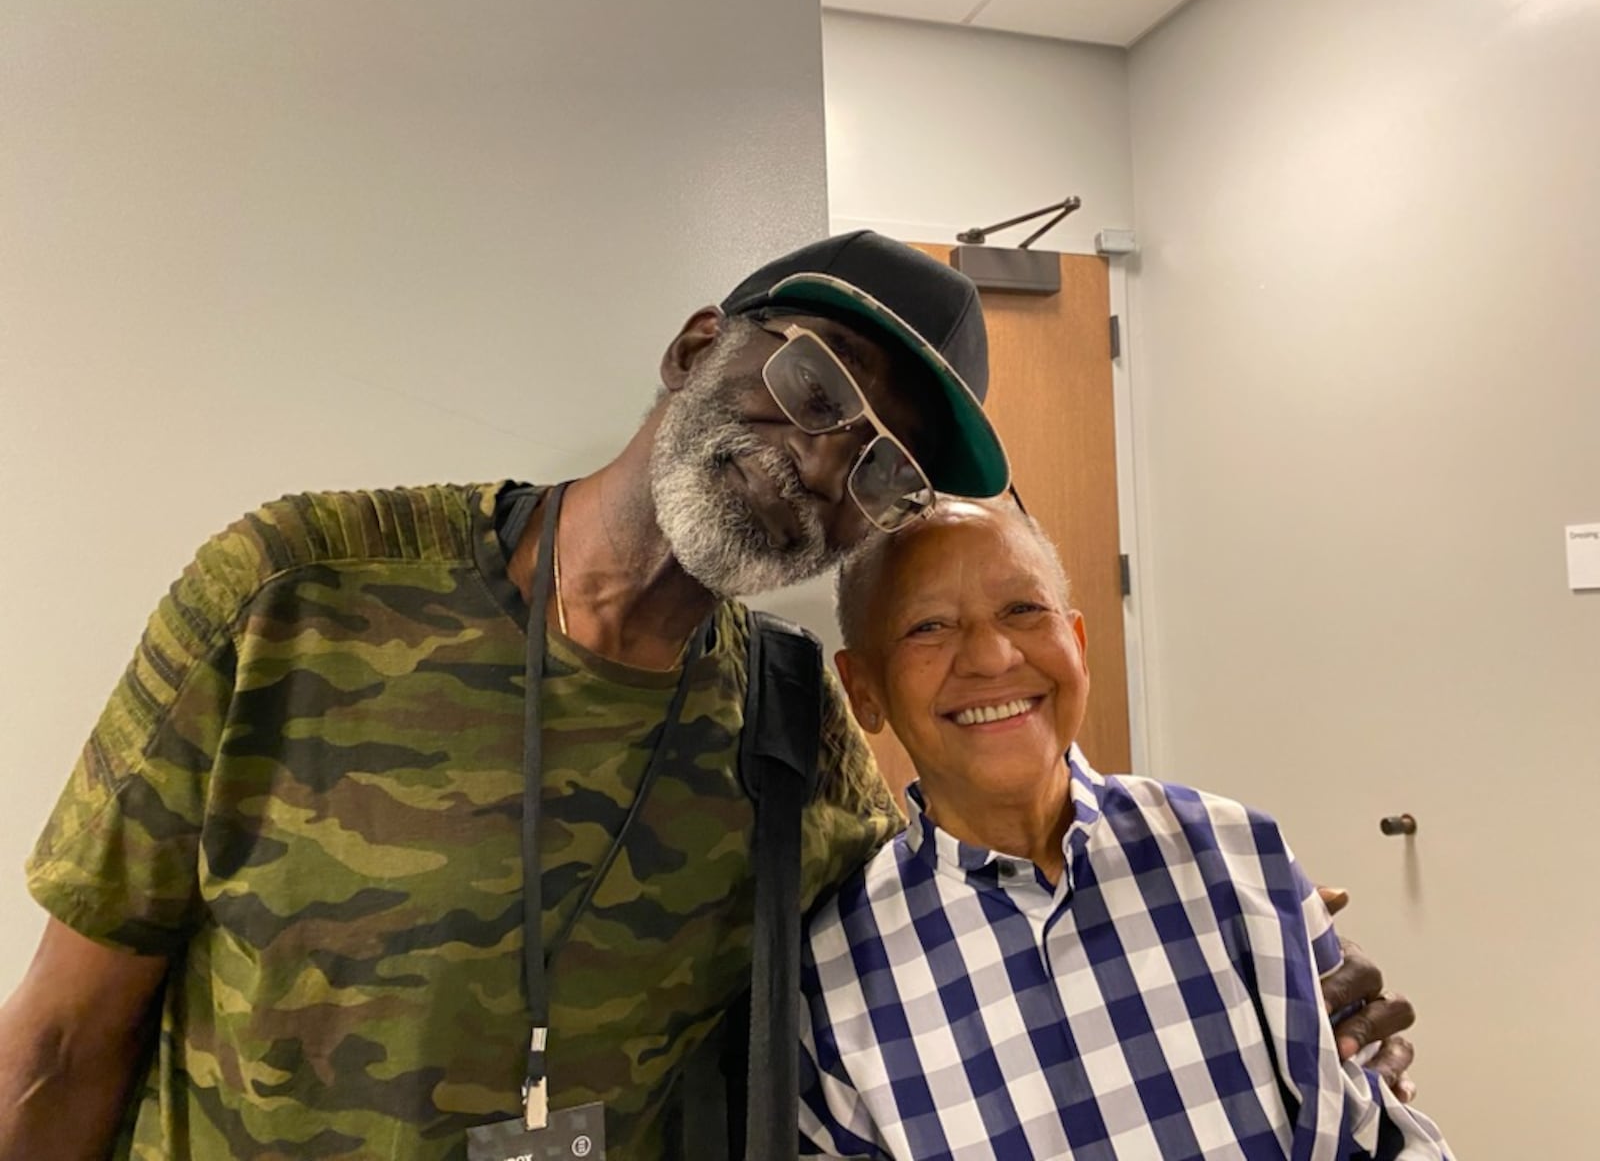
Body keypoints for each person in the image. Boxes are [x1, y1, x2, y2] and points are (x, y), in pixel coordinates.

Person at [0, 232, 1412, 1161]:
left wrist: (1269, 967)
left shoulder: (798, 744)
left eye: (882, 472)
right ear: (694, 349)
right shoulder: (298, 587)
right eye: (812, 385)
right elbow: (61, 1043)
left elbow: (982, 906)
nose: (821, 465)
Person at [801, 496, 1448, 1160]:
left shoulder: (1233, 854)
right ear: (864, 690)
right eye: (929, 626)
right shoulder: (833, 974)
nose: (992, 657)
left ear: (1076, 644)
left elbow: (1380, 1136)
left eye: (1023, 609)